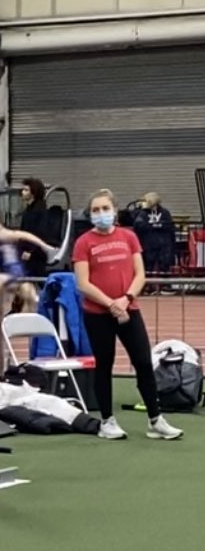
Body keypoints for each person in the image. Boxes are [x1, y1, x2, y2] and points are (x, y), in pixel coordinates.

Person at [72, 189, 183, 441]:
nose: (101, 214)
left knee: (143, 362)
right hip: (98, 314)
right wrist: (111, 304)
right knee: (104, 365)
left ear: (114, 211)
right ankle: (107, 421)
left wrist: (126, 299)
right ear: (90, 215)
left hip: (128, 310)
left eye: (105, 209)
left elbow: (139, 274)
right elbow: (83, 283)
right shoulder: (83, 243)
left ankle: (156, 420)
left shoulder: (129, 237)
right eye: (95, 210)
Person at [0, 207, 59, 330]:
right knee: (31, 297)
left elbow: (25, 235)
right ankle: (35, 321)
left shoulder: (2, 233)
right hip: (14, 275)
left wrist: (45, 246)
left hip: (12, 275)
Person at [132, 191, 176, 289]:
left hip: (164, 243)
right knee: (147, 265)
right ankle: (146, 286)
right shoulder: (142, 214)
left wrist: (156, 225)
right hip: (148, 243)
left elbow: (169, 226)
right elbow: (138, 226)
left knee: (165, 264)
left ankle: (166, 285)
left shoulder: (164, 212)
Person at [17, 178, 55, 278]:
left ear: (33, 193)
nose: (22, 192)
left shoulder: (39, 211)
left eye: (26, 190)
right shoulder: (29, 209)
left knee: (36, 278)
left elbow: (39, 233)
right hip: (27, 251)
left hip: (35, 254)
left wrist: (30, 251)